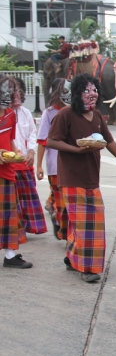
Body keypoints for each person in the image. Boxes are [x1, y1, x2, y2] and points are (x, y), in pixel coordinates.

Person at [47, 73, 116, 282]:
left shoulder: (97, 115)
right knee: (84, 224)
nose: (92, 94)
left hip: (92, 179)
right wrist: (75, 149)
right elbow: (51, 141)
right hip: (71, 178)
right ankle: (87, 269)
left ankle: (72, 256)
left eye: (95, 90)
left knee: (92, 221)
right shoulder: (66, 114)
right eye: (87, 90)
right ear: (77, 94)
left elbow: (110, 142)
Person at [0, 76, 33, 269]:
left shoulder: (11, 114)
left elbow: (11, 140)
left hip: (7, 170)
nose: (7, 95)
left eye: (9, 92)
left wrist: (16, 151)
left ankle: (10, 255)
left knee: (9, 214)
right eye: (3, 91)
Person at [11, 77, 47, 237]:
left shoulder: (25, 113)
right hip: (8, 164)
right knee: (12, 201)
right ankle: (14, 230)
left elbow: (32, 134)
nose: (16, 94)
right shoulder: (3, 113)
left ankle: (27, 227)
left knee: (26, 199)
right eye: (12, 91)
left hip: (24, 162)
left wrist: (31, 151)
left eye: (18, 90)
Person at [37, 78, 69, 239]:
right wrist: (39, 166)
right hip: (55, 165)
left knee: (67, 198)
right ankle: (63, 228)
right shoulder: (49, 113)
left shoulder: (75, 111)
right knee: (60, 197)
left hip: (72, 164)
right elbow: (42, 141)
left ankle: (53, 209)